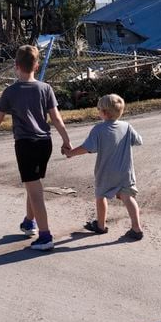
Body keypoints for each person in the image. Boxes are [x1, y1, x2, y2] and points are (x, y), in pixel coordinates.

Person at [0, 45, 72, 251]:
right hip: (44, 143)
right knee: (34, 184)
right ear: (36, 65)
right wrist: (66, 140)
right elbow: (56, 118)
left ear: (16, 66)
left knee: (35, 190)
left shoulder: (11, 91)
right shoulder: (45, 88)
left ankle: (45, 235)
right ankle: (29, 221)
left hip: (26, 144)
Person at [64, 94, 144, 240]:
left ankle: (100, 226)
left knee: (101, 197)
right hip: (125, 172)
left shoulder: (98, 129)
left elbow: (87, 148)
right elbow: (138, 141)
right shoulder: (127, 127)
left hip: (105, 173)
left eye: (98, 109)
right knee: (128, 198)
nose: (98, 112)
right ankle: (136, 229)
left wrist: (71, 153)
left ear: (104, 113)